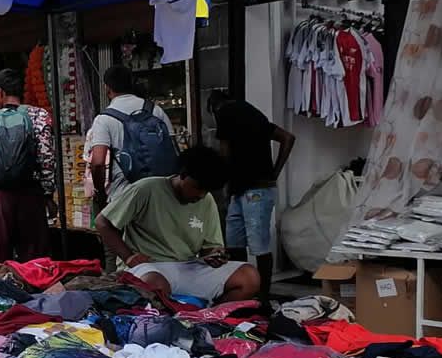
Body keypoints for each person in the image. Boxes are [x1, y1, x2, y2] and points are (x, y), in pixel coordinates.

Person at [96, 146, 261, 303]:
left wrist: (215, 256)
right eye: (197, 188)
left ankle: (206, 316)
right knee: (155, 285)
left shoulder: (206, 200)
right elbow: (102, 223)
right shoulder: (147, 189)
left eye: (206, 191)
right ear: (183, 175)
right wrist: (129, 257)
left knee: (249, 277)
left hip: (189, 266)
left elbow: (209, 247)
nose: (201, 195)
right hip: (149, 267)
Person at [208, 90, 295, 301]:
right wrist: (274, 172)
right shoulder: (254, 114)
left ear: (213, 107)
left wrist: (219, 184)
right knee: (245, 243)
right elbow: (288, 138)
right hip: (253, 188)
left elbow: (225, 153)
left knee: (247, 244)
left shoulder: (224, 112)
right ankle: (257, 293)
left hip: (251, 189)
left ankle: (255, 294)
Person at [0, 68, 57, 263]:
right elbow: (47, 160)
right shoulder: (40, 116)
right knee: (35, 261)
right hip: (31, 196)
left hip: (0, 198)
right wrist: (48, 196)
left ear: (0, 91)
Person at [88, 65, 179, 211]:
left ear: (107, 88)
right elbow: (173, 148)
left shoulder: (103, 119)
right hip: (159, 192)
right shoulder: (155, 110)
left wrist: (100, 192)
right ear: (132, 84)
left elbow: (98, 163)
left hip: (124, 196)